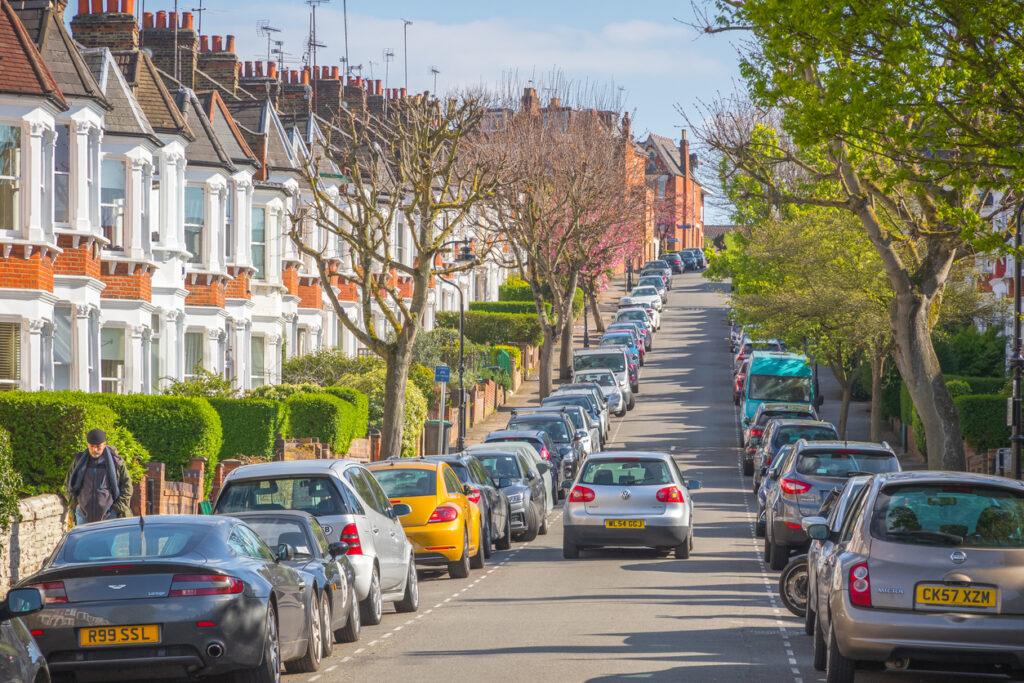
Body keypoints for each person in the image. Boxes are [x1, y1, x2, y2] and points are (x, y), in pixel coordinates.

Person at [64, 429, 132, 525]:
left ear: (104, 444)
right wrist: (76, 506)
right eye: (91, 446)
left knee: (106, 541)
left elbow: (127, 487)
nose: (94, 450)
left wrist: (115, 509)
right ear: (88, 445)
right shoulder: (78, 461)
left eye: (98, 447)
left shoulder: (116, 462)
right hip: (83, 515)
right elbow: (68, 485)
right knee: (84, 540)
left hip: (110, 516)